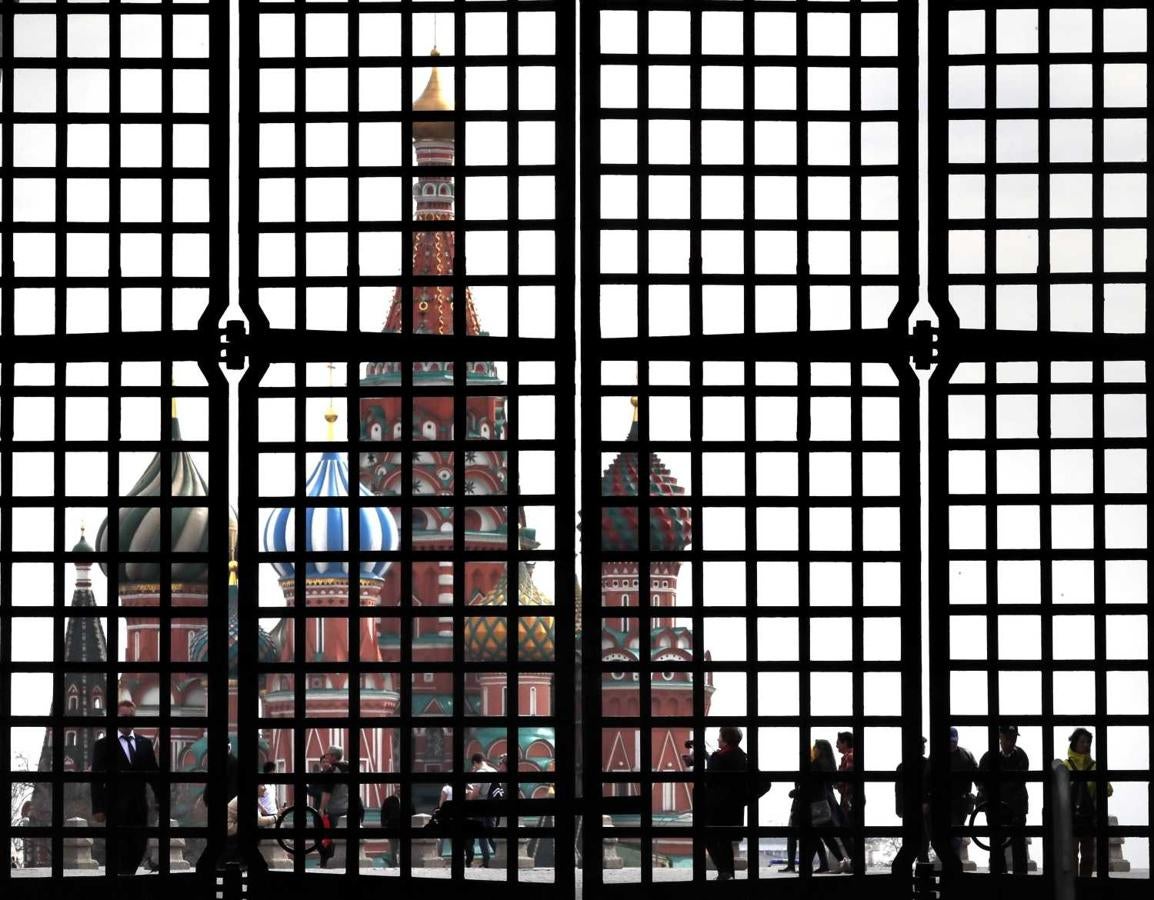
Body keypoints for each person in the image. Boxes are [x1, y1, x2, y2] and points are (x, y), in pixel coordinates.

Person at [90, 699, 162, 875]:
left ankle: (128, 874)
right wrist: (98, 808)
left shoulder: (144, 744)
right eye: (124, 716)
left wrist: (161, 800)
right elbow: (96, 779)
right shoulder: (103, 745)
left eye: (131, 716)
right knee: (119, 848)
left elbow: (154, 776)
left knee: (139, 845)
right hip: (115, 807)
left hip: (139, 807)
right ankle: (123, 879)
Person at [977, 725, 1029, 875]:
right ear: (1000, 737)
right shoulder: (1020, 757)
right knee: (997, 845)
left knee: (1017, 844)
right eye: (1008, 737)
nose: (1011, 741)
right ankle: (1000, 877)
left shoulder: (989, 757)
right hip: (1001, 808)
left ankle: (1018, 879)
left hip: (1013, 808)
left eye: (1013, 738)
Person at [1062, 728, 1113, 877]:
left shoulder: (1095, 766)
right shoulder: (1065, 765)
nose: (1086, 745)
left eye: (1088, 742)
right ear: (1074, 743)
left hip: (1088, 819)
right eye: (1082, 741)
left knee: (1088, 856)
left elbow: (1108, 790)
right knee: (1071, 855)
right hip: (1070, 819)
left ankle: (1085, 886)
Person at [701, 726, 748, 881]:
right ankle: (728, 873)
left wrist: (706, 757)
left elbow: (711, 777)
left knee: (709, 838)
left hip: (716, 808)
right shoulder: (742, 757)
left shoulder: (718, 757)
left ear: (726, 740)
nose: (717, 739)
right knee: (726, 841)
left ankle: (724, 871)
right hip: (733, 808)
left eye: (720, 737)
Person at [313, 746, 350, 868]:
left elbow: (327, 793)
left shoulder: (332, 771)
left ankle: (330, 863)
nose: (326, 756)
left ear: (333, 757)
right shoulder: (348, 767)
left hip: (334, 809)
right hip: (347, 808)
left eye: (328, 754)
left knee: (330, 838)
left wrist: (322, 808)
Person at [895, 736, 931, 859]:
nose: (924, 747)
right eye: (922, 745)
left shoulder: (902, 766)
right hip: (921, 807)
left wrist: (899, 809)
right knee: (923, 837)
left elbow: (898, 791)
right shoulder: (927, 764)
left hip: (910, 807)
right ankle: (923, 862)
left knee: (912, 837)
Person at [948, 727, 978, 854]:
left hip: (962, 801)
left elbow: (977, 775)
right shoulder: (937, 756)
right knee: (952, 833)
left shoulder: (967, 755)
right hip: (945, 801)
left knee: (957, 833)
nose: (952, 744)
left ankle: (952, 864)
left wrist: (980, 791)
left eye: (954, 741)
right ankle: (953, 864)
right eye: (950, 741)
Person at [465, 752, 497, 866]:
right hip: (493, 806)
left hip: (481, 806)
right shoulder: (494, 771)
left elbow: (475, 793)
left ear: (475, 762)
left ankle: (486, 860)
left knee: (482, 835)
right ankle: (501, 855)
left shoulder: (479, 772)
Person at [835, 731, 856, 861]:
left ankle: (854, 860)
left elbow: (849, 776)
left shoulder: (850, 756)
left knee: (848, 830)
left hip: (849, 798)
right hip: (848, 797)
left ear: (845, 743)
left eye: (838, 742)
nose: (836, 745)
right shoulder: (848, 757)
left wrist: (838, 782)